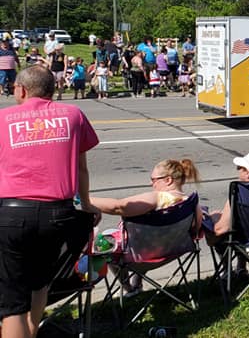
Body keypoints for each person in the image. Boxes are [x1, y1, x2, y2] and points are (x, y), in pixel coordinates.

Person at [0, 65, 99, 337]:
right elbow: (81, 169)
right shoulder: (73, 115)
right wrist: (87, 204)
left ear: (21, 89)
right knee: (40, 283)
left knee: (12, 301)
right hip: (58, 215)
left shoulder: (3, 118)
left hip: (11, 214)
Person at [90, 158, 201, 295]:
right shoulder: (191, 203)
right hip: (172, 253)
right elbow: (196, 231)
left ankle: (129, 289)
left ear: (168, 180)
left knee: (105, 242)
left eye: (153, 179)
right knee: (149, 239)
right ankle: (137, 283)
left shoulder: (158, 198)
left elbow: (118, 207)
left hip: (136, 260)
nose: (151, 183)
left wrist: (83, 199)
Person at [205, 152, 249, 257]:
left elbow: (220, 230)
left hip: (246, 241)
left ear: (248, 174)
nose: (238, 170)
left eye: (239, 167)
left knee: (213, 224)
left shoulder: (238, 193)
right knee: (237, 223)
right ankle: (241, 268)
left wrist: (209, 219)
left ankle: (227, 269)